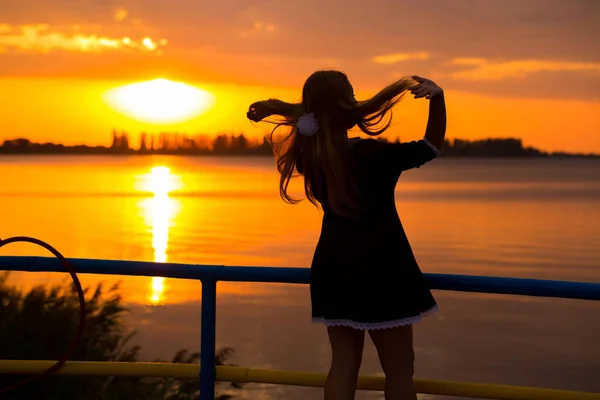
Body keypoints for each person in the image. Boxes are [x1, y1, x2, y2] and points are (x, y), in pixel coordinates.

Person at [247, 70, 446, 400]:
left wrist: (283, 107)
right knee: (399, 367)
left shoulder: (311, 157)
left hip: (333, 268)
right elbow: (430, 147)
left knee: (343, 363)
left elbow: (318, 115)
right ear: (345, 104)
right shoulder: (373, 155)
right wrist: (437, 99)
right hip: (383, 267)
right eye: (350, 94)